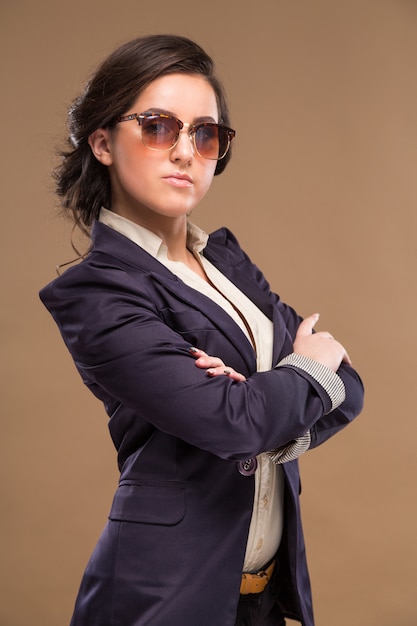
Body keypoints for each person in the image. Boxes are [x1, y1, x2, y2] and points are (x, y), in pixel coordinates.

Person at [39, 34, 364, 626]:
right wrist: (284, 386)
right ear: (104, 142)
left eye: (205, 133)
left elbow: (350, 387)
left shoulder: (228, 263)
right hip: (164, 597)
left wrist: (265, 404)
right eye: (160, 126)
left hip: (262, 599)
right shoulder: (97, 292)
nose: (186, 151)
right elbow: (230, 421)